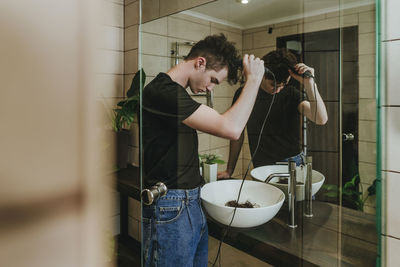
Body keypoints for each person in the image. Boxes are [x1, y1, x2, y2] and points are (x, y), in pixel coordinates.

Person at [141, 34, 265, 267]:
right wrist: (254, 79)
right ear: (200, 63)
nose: (211, 88)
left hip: (189, 203)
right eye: (214, 80)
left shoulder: (176, 95)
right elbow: (231, 128)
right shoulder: (162, 92)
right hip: (171, 207)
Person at [218, 49, 328, 179]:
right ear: (263, 74)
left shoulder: (291, 94)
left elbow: (321, 119)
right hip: (261, 167)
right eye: (273, 85)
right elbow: (237, 135)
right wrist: (229, 170)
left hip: (292, 165)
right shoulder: (245, 93)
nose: (278, 89)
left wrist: (310, 84)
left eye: (283, 85)